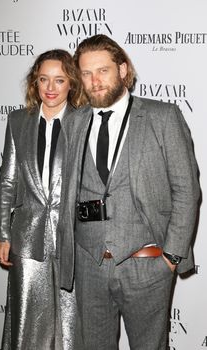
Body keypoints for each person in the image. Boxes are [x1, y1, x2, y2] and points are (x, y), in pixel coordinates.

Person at [58, 34, 200, 350]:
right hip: (89, 265)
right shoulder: (73, 123)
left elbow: (186, 189)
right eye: (86, 73)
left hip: (147, 265)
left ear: (122, 70)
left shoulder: (162, 116)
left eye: (103, 70)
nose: (94, 81)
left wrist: (171, 257)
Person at [0, 49, 82, 350]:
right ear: (35, 82)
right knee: (25, 320)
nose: (51, 87)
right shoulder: (18, 120)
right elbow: (8, 181)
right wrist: (3, 234)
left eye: (59, 80)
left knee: (70, 325)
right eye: (44, 79)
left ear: (72, 83)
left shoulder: (84, 122)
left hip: (73, 239)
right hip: (27, 236)